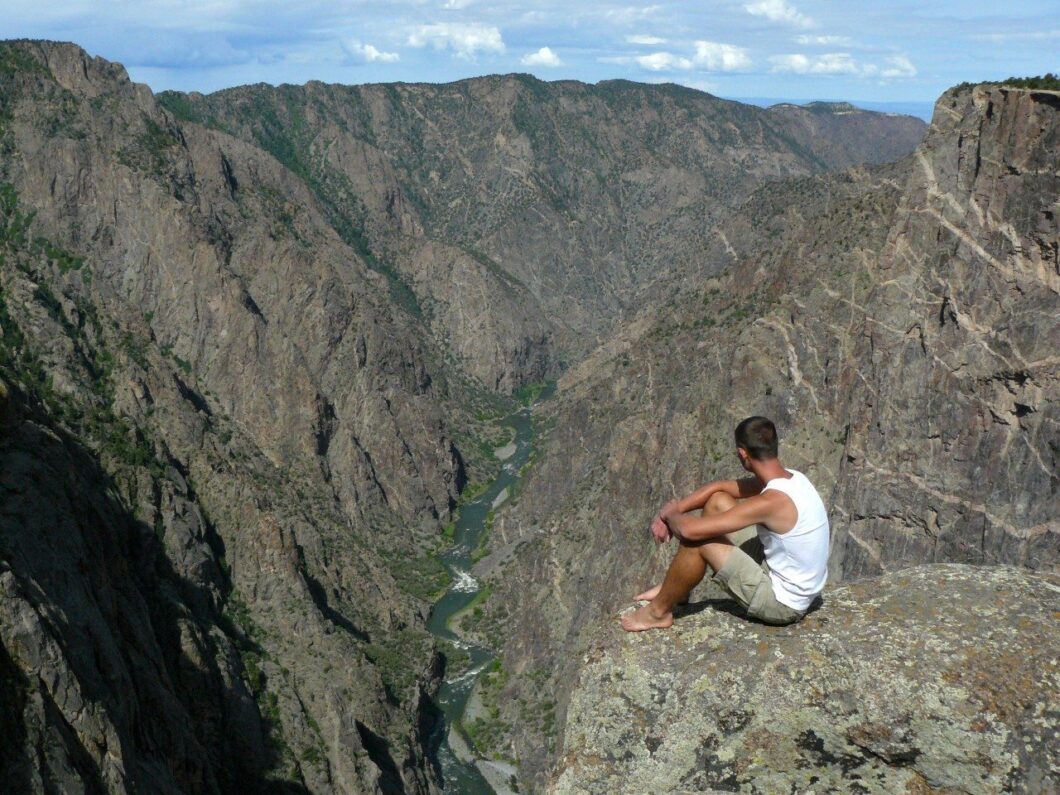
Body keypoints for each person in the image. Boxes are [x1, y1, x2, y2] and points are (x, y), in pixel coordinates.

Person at [621, 416, 829, 632]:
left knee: (700, 541)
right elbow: (720, 488)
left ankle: (656, 613)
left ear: (742, 454)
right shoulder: (793, 478)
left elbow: (689, 530)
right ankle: (676, 590)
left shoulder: (773, 501)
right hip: (785, 572)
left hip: (783, 603)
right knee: (717, 502)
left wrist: (670, 513)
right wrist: (679, 509)